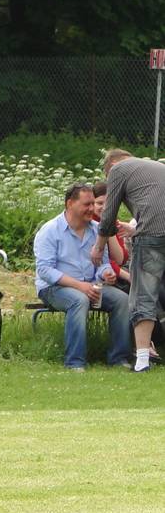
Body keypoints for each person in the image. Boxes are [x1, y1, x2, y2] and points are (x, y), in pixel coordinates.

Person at [36, 183, 131, 370]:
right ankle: (75, 362)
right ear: (70, 204)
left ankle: (119, 359)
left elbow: (103, 263)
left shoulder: (97, 230)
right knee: (79, 300)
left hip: (90, 286)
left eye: (92, 204)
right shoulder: (50, 230)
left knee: (122, 300)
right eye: (87, 204)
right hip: (54, 288)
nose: (92, 209)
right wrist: (80, 286)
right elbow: (45, 271)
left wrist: (106, 273)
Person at [94, 148, 165, 371]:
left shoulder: (119, 170)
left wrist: (99, 247)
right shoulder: (157, 167)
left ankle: (142, 360)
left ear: (111, 167)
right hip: (154, 230)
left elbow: (108, 215)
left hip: (152, 236)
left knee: (144, 295)